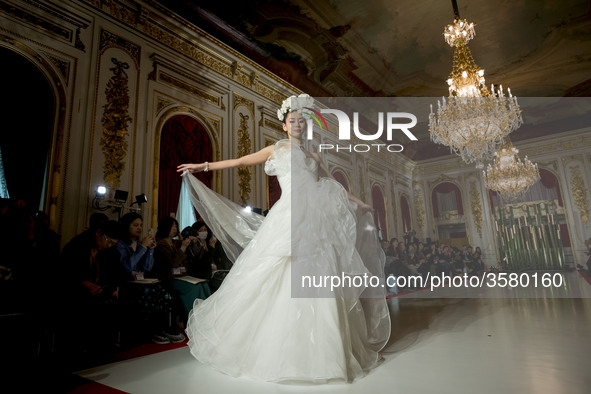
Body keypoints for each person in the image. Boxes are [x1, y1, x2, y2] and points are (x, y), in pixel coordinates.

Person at [177, 93, 390, 383]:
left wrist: (360, 203)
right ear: (285, 125)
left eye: (302, 121)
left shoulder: (315, 156)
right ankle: (275, 347)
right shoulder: (276, 149)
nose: (298, 124)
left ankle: (326, 352)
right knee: (278, 269)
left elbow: (333, 185)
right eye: (293, 121)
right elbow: (241, 161)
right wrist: (203, 167)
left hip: (316, 221)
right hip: (288, 216)